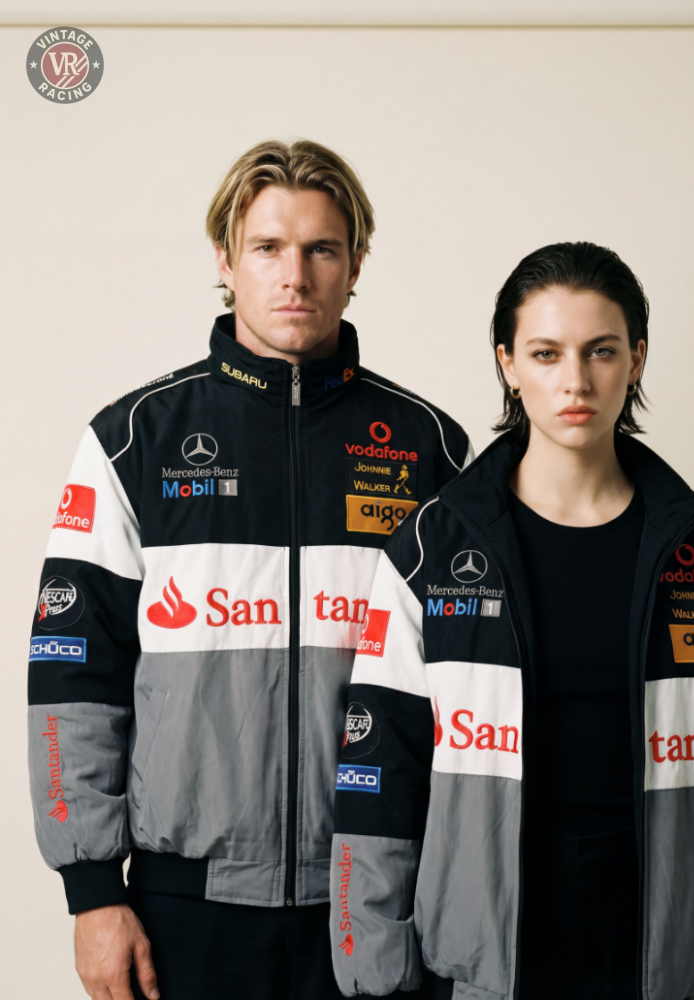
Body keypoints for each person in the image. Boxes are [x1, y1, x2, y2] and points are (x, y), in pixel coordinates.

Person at [27, 139, 472, 1000]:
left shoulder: (431, 449)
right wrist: (92, 893)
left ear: (356, 265)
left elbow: (471, 685)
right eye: (268, 247)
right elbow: (72, 675)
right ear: (226, 262)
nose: (294, 276)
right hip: (183, 911)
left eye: (322, 249)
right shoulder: (133, 440)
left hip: (377, 901)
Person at [330, 242, 694, 999]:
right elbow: (379, 774)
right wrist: (375, 972)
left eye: (601, 351)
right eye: (546, 354)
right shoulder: (429, 550)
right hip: (489, 962)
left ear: (637, 359)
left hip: (666, 959)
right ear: (509, 365)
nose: (575, 381)